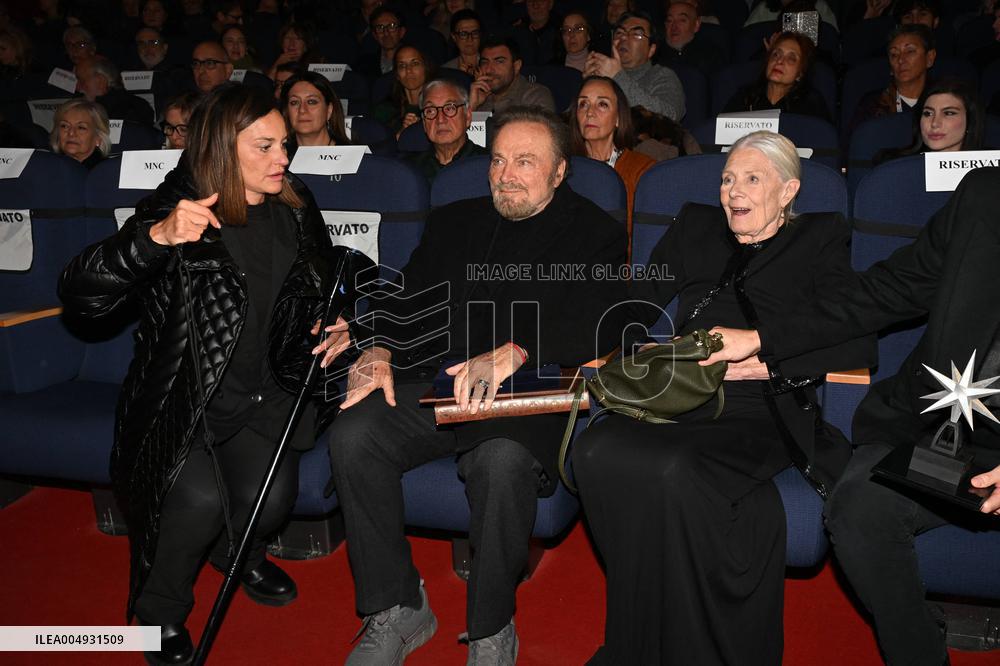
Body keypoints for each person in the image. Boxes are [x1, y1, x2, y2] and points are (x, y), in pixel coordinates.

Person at [322, 106, 627, 665]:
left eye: (526, 162)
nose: (505, 174)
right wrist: (380, 345)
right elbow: (408, 293)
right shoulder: (454, 220)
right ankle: (396, 606)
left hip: (526, 393)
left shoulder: (595, 233)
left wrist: (516, 349)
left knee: (500, 461)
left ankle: (491, 629)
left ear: (560, 173)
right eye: (499, 160)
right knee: (354, 434)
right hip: (442, 381)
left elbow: (599, 320)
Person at [58, 83, 342, 666]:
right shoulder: (177, 209)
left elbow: (325, 281)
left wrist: (337, 323)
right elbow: (80, 295)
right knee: (197, 505)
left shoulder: (295, 202)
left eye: (283, 144)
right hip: (184, 402)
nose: (282, 159)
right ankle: (160, 612)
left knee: (272, 502)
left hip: (266, 394)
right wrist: (154, 240)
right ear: (219, 147)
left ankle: (241, 553)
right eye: (263, 147)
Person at [573, 130, 875, 666]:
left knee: (672, 471)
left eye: (752, 179)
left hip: (764, 406)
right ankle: (635, 643)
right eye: (728, 179)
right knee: (593, 452)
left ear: (787, 192)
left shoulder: (820, 237)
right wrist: (559, 339)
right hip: (682, 395)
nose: (733, 191)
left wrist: (771, 359)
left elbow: (856, 335)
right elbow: (636, 300)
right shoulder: (696, 226)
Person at [702, 167, 1000, 666]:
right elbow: (886, 290)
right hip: (945, 438)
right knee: (860, 507)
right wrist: (762, 337)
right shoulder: (985, 195)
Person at [570, 75, 654, 245]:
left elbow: (644, 239)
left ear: (618, 119)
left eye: (602, 104)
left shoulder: (643, 170)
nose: (590, 113)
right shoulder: (560, 169)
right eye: (583, 104)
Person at [584, 11, 686, 122]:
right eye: (619, 33)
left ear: (651, 50)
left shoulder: (662, 76)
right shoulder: (601, 74)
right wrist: (587, 86)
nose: (624, 38)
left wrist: (618, 77)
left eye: (636, 34)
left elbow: (669, 115)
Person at [847, 24, 936, 139]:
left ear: (929, 58)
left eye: (910, 51)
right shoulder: (873, 105)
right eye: (894, 54)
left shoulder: (946, 102)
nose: (901, 60)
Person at [723, 31, 830, 122]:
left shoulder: (812, 105)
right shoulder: (745, 97)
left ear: (800, 73)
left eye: (791, 59)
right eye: (776, 54)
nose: (779, 61)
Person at [874, 78, 986, 164]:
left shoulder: (991, 168)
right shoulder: (893, 166)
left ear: (970, 121)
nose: (935, 123)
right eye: (928, 113)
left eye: (948, 113)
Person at [406, 78, 487, 181]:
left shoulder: (488, 166)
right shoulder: (410, 171)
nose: (440, 120)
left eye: (449, 108)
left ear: (467, 117)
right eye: (430, 111)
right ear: (424, 123)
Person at [469, 37, 555, 112]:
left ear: (516, 66)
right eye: (484, 62)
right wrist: (472, 106)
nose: (489, 69)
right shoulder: (478, 97)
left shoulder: (535, 96)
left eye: (499, 62)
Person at [373, 45, 435, 138]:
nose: (409, 70)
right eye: (402, 66)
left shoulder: (439, 108)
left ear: (425, 68)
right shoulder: (384, 111)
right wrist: (401, 133)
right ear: (397, 74)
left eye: (415, 64)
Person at [280, 70, 351, 151]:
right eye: (294, 102)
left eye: (311, 102)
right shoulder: (278, 158)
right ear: (287, 111)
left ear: (329, 110)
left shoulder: (353, 157)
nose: (302, 110)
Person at [76, 56, 156, 125]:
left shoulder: (135, 110)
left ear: (101, 81)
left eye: (81, 81)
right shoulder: (139, 105)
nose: (77, 87)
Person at [658, 0, 723, 77]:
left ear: (696, 25)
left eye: (682, 20)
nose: (674, 26)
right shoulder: (656, 54)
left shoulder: (710, 55)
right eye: (669, 20)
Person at [51, 99, 111, 169]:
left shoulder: (108, 172)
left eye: (81, 128)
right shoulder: (47, 167)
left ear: (98, 137)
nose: (71, 133)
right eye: (65, 126)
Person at [442, 8, 481, 75]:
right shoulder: (446, 71)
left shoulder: (489, 66)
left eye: (474, 33)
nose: (470, 39)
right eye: (463, 34)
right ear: (454, 37)